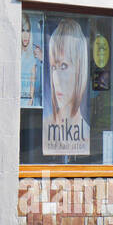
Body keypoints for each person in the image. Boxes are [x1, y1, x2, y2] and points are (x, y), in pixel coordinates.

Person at [46, 18, 90, 153]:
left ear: (79, 68)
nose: (56, 79)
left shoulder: (86, 133)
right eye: (53, 67)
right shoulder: (46, 126)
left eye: (63, 66)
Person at [20, 13, 42, 107]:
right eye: (22, 31)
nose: (25, 35)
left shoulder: (32, 57)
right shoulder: (16, 56)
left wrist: (30, 99)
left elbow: (32, 81)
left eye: (28, 31)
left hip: (27, 102)